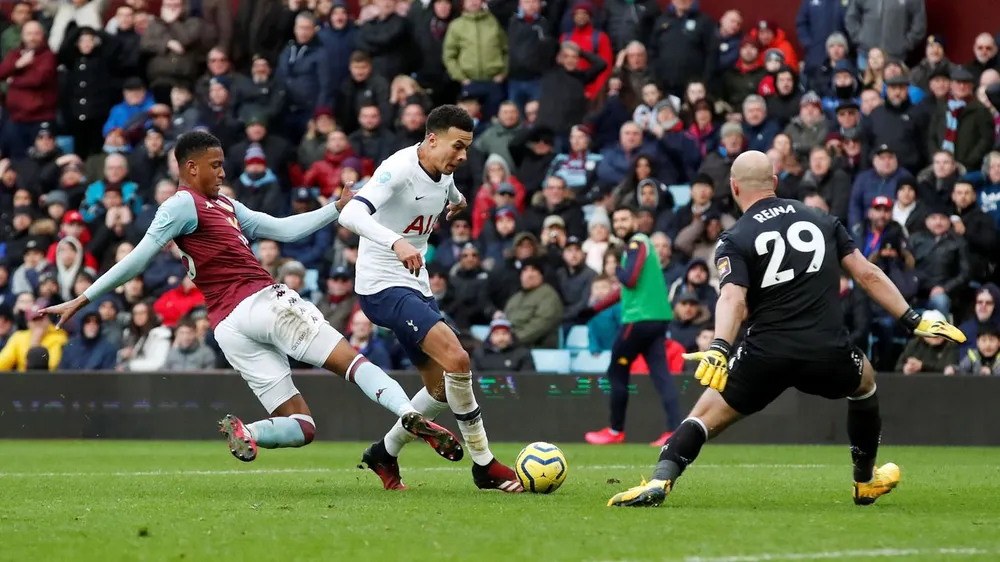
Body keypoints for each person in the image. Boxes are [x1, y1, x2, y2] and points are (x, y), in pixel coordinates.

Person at [39, 131, 461, 465]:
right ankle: (410, 415)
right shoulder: (182, 204)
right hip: (263, 302)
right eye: (215, 165)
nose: (222, 172)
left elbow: (284, 229)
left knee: (301, 425)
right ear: (190, 167)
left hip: (228, 327)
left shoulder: (224, 205)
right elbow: (139, 257)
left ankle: (250, 432)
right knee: (353, 363)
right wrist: (84, 298)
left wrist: (336, 208)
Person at [607, 150, 966, 508]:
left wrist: (719, 346)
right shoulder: (821, 219)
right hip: (827, 351)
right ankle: (865, 481)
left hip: (765, 355)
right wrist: (912, 318)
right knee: (865, 382)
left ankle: (659, 481)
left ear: (733, 187)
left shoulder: (735, 238)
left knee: (701, 416)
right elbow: (867, 273)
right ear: (774, 183)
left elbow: (732, 297)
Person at [338, 105, 522, 493]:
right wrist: (397, 240)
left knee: (441, 389)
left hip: (415, 284)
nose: (463, 156)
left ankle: (384, 453)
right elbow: (351, 214)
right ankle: (484, 464)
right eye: (458, 146)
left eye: (467, 148)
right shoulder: (398, 169)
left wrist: (459, 200)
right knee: (459, 359)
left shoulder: (443, 172)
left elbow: (447, 191)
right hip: (382, 286)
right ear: (432, 139)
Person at [579, 206, 682, 447]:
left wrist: (617, 269)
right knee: (661, 376)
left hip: (639, 320)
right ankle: (674, 430)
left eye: (625, 218)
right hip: (657, 319)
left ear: (635, 221)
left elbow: (629, 279)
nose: (620, 223)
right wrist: (594, 309)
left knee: (616, 370)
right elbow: (625, 289)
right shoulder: (640, 247)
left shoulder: (636, 243)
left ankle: (615, 430)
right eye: (616, 220)